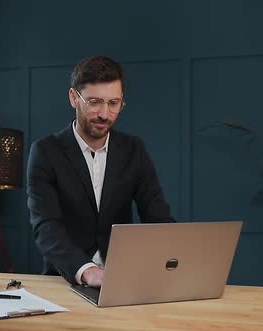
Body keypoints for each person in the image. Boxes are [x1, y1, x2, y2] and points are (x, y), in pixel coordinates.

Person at [27, 55, 174, 288]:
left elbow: (157, 216)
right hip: (66, 279)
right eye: (94, 102)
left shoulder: (133, 149)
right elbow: (47, 226)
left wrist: (179, 257)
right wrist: (87, 271)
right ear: (74, 98)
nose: (105, 114)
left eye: (114, 103)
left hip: (123, 278)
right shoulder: (46, 152)